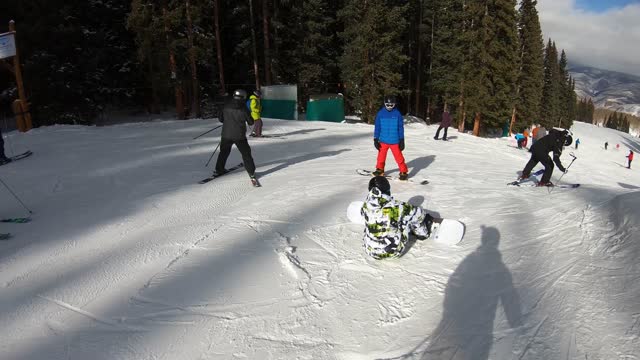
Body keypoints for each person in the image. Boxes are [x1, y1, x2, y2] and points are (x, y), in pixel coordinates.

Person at [360, 176, 434, 259]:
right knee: (411, 216)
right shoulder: (397, 206)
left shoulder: (365, 205)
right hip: (392, 252)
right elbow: (419, 214)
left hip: (370, 251)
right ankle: (422, 235)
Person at [214, 89, 257, 182]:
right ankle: (251, 172)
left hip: (226, 134)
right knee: (246, 154)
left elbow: (221, 119)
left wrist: (229, 120)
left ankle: (219, 169)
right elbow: (251, 122)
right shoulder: (243, 108)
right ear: (243, 97)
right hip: (239, 136)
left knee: (224, 152)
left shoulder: (226, 105)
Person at [372, 95, 408, 180]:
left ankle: (403, 171)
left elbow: (400, 127)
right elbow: (377, 127)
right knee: (381, 157)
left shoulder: (397, 114)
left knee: (399, 157)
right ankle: (380, 169)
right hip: (383, 141)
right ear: (384, 104)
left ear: (394, 104)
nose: (389, 107)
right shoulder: (380, 113)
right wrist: (375, 138)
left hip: (395, 141)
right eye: (387, 105)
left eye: (391, 105)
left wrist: (402, 140)